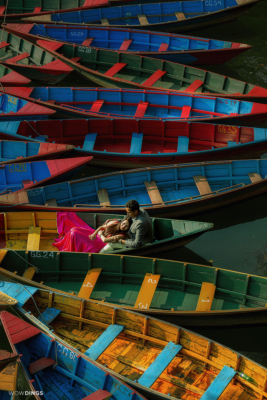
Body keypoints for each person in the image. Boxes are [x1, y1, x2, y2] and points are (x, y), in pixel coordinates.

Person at [52, 211, 132, 253]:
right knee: (74, 230)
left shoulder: (122, 235)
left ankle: (73, 251)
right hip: (96, 235)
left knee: (75, 234)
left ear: (127, 229)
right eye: (124, 223)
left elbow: (105, 240)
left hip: (101, 244)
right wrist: (94, 233)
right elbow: (101, 227)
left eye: (126, 226)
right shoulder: (116, 223)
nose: (124, 226)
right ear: (122, 221)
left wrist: (100, 233)